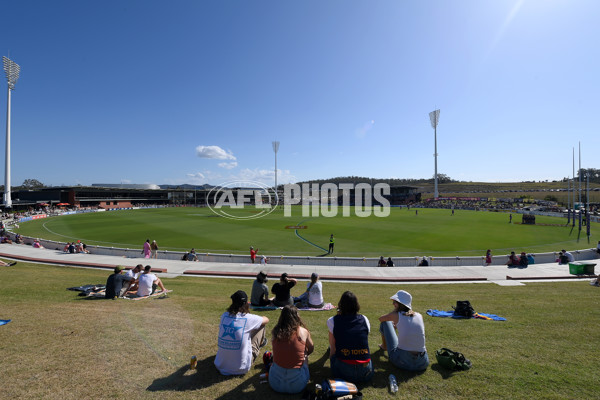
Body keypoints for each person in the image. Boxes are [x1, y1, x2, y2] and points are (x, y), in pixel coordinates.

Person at [215, 290, 269, 375]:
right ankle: (260, 343)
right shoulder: (248, 318)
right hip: (241, 368)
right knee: (261, 325)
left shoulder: (224, 316)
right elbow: (266, 319)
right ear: (246, 303)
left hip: (220, 365)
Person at [327, 291, 374, 383]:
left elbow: (333, 349)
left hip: (343, 373)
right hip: (366, 372)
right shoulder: (364, 319)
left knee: (333, 351)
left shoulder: (332, 321)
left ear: (340, 305)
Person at [378, 290, 429, 371]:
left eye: (394, 302)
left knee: (385, 323)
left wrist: (394, 313)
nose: (393, 304)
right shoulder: (419, 315)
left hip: (403, 362)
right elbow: (410, 327)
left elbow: (381, 319)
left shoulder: (395, 314)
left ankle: (384, 346)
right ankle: (385, 346)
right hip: (422, 363)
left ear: (399, 303)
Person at [268, 305, 314, 394]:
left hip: (275, 383)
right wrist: (303, 355)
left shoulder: (276, 331)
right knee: (304, 351)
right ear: (297, 316)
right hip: (297, 385)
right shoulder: (303, 331)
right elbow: (311, 348)